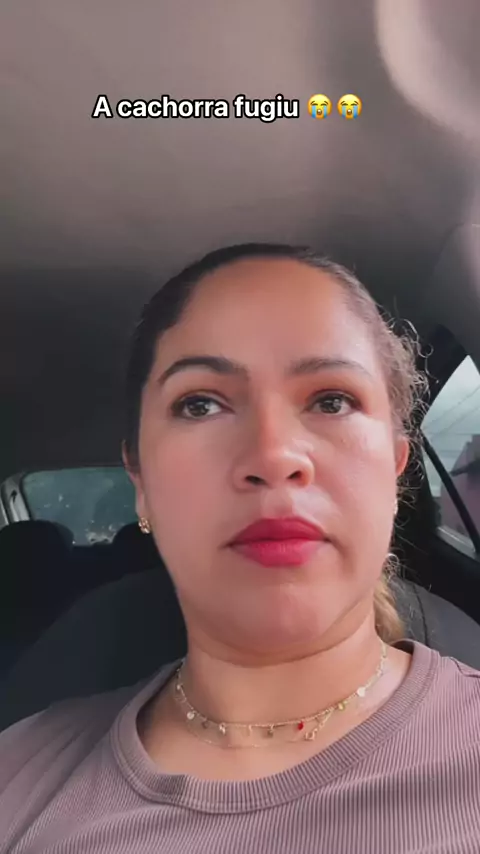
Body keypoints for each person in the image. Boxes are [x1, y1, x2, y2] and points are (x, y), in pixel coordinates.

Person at [1, 243, 480, 854]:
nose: (273, 455)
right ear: (140, 482)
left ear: (394, 468)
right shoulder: (18, 772)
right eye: (200, 404)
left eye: (331, 400)